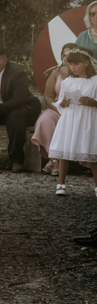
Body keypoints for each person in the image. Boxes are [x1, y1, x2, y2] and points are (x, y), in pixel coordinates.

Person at [47, 48, 97, 195]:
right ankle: (61, 185)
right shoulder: (67, 82)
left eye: (77, 64)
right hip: (70, 119)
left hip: (88, 120)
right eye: (70, 64)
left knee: (93, 153)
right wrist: (62, 104)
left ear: (87, 63)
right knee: (65, 153)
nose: (73, 68)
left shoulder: (95, 81)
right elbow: (60, 102)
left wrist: (93, 102)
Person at [32, 43, 82, 176]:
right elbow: (48, 96)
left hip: (77, 112)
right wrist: (57, 107)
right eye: (65, 54)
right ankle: (54, 160)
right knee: (45, 120)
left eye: (72, 54)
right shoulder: (56, 73)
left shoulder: (85, 74)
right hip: (57, 109)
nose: (68, 57)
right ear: (62, 57)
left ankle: (56, 162)